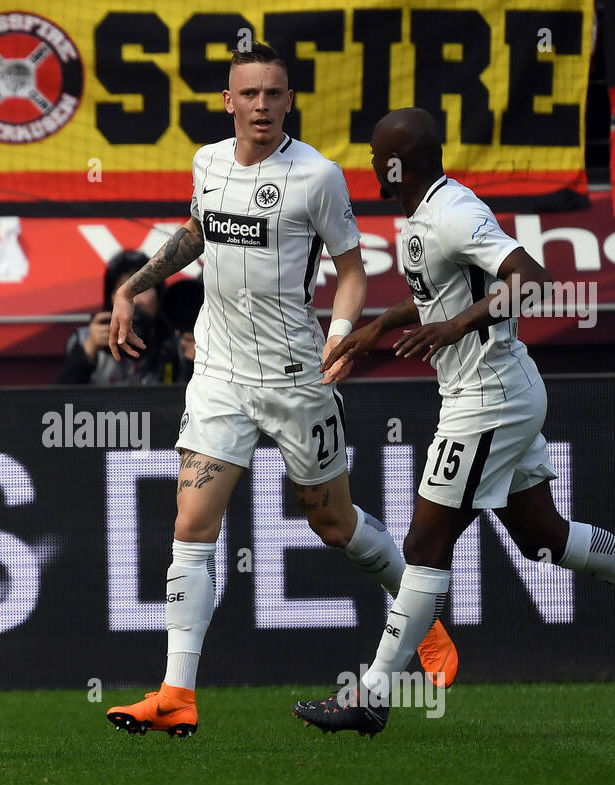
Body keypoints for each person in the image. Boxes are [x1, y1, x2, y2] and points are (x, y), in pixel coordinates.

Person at [307, 107, 615, 736]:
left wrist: (451, 328)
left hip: (489, 395)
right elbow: (442, 289)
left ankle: (371, 696)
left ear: (397, 163)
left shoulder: (453, 211)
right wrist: (382, 324)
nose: (370, 163)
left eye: (375, 154)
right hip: (494, 390)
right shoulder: (426, 214)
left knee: (424, 544)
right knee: (543, 537)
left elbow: (533, 279)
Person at [102, 45, 457, 738]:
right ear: (227, 102)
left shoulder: (317, 177)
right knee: (191, 527)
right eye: (249, 94)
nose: (261, 105)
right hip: (220, 376)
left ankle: (424, 618)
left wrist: (343, 332)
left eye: (274, 94)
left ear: (290, 100)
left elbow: (352, 270)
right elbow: (196, 234)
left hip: (298, 374)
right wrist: (133, 285)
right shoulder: (206, 163)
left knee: (334, 526)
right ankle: (177, 692)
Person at [56, 249, 174, 385]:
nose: (134, 300)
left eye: (143, 289)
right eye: (124, 291)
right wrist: (88, 350)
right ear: (111, 299)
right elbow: (60, 399)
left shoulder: (174, 341)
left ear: (158, 296)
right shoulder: (85, 339)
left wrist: (191, 359)